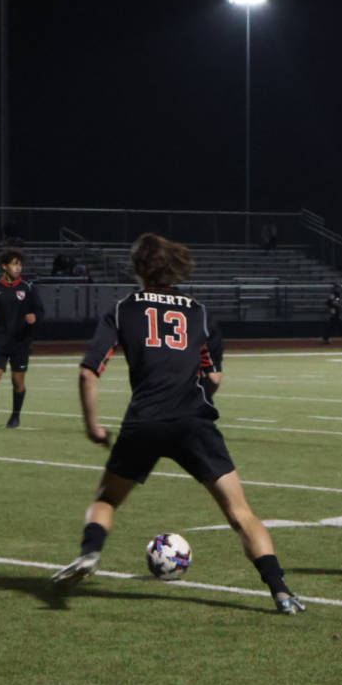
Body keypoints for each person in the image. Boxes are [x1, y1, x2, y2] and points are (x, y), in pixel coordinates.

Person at [50, 233, 305, 615]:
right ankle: (281, 591)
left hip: (144, 422)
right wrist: (190, 403)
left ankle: (89, 554)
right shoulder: (198, 311)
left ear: (137, 267)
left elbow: (89, 373)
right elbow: (214, 377)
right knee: (241, 514)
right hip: (193, 422)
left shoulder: (123, 309)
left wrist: (93, 426)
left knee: (106, 499)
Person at [0, 247, 44, 429]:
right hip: (1, 340)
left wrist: (35, 317)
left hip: (21, 341)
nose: (18, 268)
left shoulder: (28, 288)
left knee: (17, 381)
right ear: (4, 266)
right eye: (14, 264)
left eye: (20, 264)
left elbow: (40, 310)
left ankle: (15, 417)